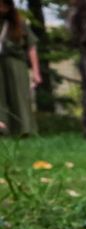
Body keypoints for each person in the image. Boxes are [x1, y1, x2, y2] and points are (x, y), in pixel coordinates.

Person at [0, 0, 40, 137]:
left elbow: (31, 47)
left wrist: (36, 72)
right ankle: (3, 129)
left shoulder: (19, 23)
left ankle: (23, 129)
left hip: (16, 64)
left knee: (19, 96)